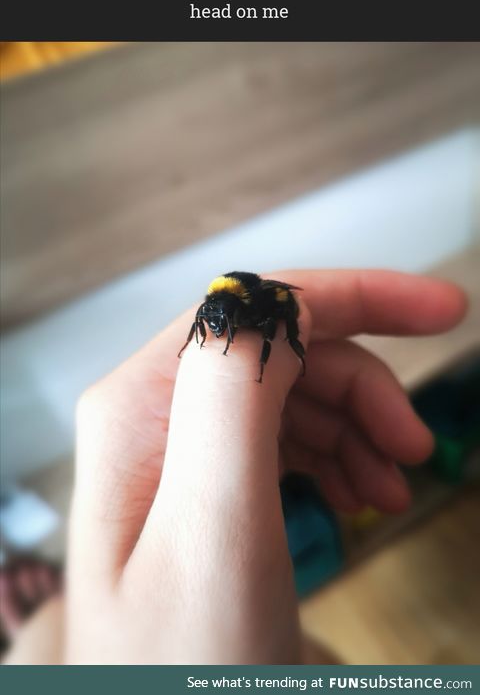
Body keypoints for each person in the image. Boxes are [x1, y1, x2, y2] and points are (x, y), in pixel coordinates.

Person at [2, 269, 467, 665]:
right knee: (46, 635)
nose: (218, 328)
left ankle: (45, 626)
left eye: (222, 322)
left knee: (42, 641)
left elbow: (277, 314)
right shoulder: (213, 307)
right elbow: (209, 316)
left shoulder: (257, 306)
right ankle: (47, 625)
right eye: (211, 323)